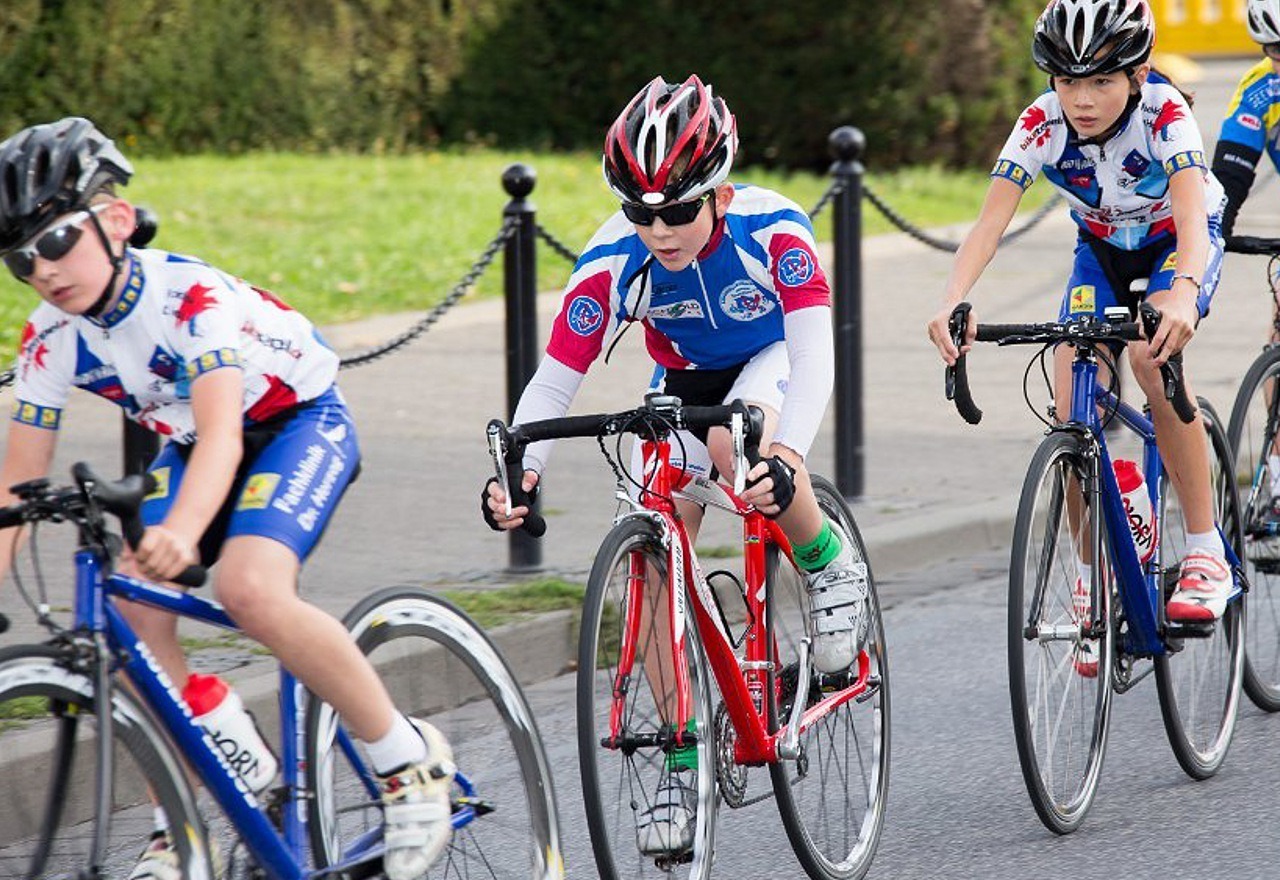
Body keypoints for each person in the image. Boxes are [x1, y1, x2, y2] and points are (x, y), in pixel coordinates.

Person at [0, 117, 452, 880]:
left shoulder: (189, 299)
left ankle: (408, 762)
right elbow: (14, 486)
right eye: (19, 260)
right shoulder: (50, 340)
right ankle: (189, 810)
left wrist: (181, 529)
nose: (43, 270)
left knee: (249, 587)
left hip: (296, 423)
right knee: (130, 618)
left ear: (113, 222)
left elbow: (223, 437)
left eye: (55, 241)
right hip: (195, 443)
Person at [481, 75, 870, 857]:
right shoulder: (614, 257)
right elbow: (558, 376)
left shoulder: (773, 230)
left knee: (740, 450)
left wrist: (789, 455)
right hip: (681, 380)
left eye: (679, 212)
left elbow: (814, 350)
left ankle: (829, 566)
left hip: (767, 365)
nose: (659, 230)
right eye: (640, 212)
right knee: (648, 541)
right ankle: (678, 757)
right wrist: (518, 469)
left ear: (718, 193)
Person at [925, 0, 1231, 640]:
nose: (1082, 99)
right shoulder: (1040, 123)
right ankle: (1091, 571)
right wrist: (953, 296)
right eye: (1067, 81)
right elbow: (989, 223)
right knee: (1072, 400)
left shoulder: (1165, 116)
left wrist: (1181, 293)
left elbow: (1193, 218)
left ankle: (1204, 550)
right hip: (1101, 250)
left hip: (1179, 239)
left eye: (1101, 81)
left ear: (1137, 74)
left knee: (1152, 359)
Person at [1212, 0, 1280, 523]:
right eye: (1273, 51)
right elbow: (1230, 172)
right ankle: (1277, 484)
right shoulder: (1261, 89)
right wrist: (1215, 232)